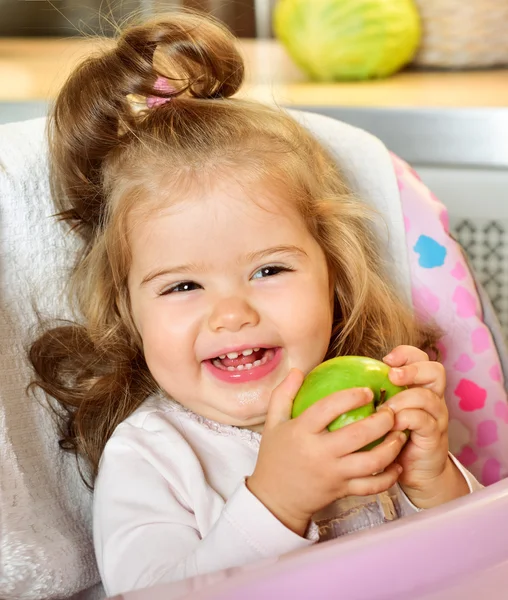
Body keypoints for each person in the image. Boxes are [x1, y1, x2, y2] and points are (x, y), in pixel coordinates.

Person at [29, 10, 481, 597]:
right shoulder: (154, 457)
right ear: (127, 313)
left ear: (333, 277)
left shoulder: (370, 406)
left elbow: (477, 572)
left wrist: (435, 481)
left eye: (269, 269)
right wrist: (275, 502)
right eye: (183, 286)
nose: (233, 313)